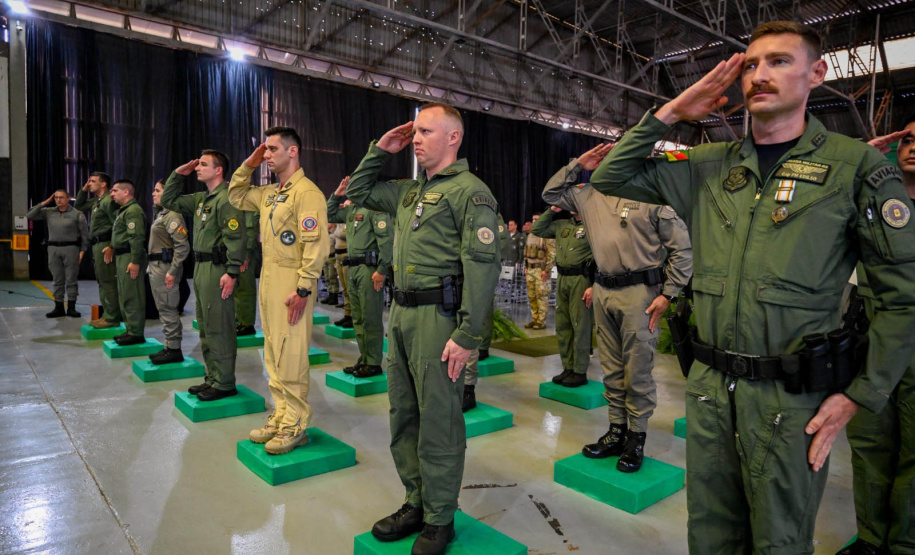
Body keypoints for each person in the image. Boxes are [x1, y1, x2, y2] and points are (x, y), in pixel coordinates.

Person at [590, 21, 915, 553]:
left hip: (792, 400)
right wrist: (672, 112)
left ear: (817, 72)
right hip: (710, 390)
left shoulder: (853, 168)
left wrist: (861, 394)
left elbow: (903, 298)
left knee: (779, 541)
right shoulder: (707, 166)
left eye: (779, 61)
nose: (760, 74)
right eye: (750, 65)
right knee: (710, 535)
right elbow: (608, 177)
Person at [347, 103, 500, 555]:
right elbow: (358, 190)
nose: (415, 139)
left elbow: (483, 268)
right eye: (414, 132)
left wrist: (468, 335)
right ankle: (415, 501)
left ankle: (439, 518)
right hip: (401, 315)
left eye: (426, 131)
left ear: (454, 137)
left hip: (439, 319)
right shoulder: (409, 192)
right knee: (404, 415)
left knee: (439, 421)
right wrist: (380, 150)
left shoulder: (471, 193)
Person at [543, 146, 692, 471]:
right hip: (602, 290)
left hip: (640, 294)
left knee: (636, 370)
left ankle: (636, 438)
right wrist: (578, 163)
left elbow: (682, 250)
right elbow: (550, 193)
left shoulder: (652, 197)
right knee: (610, 368)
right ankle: (616, 431)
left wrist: (668, 294)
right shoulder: (589, 195)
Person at [838, 120, 915, 555]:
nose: (913, 147)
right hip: (871, 332)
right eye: (908, 139)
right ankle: (870, 537)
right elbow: (824, 204)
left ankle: (905, 542)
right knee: (868, 439)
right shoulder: (869, 203)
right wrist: (861, 157)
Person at [229, 126, 329, 455]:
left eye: (272, 149)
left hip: (292, 279)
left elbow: (316, 246)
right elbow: (236, 196)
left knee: (291, 353)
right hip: (269, 275)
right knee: (273, 351)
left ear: (293, 151)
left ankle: (295, 423)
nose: (267, 155)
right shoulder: (270, 193)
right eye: (265, 149)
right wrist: (250, 163)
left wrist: (303, 288)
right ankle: (281, 414)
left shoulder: (307, 193)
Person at [162, 150, 246, 402]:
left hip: (218, 269)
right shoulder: (202, 199)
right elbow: (169, 199)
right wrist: (178, 174)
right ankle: (213, 377)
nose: (197, 168)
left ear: (218, 170)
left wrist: (232, 271)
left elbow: (235, 237)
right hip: (200, 268)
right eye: (197, 164)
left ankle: (225, 382)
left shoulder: (226, 199)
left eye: (203, 164)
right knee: (206, 325)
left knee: (219, 325)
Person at [327, 176, 393, 378]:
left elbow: (386, 242)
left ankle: (373, 362)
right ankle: (364, 358)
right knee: (358, 317)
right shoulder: (351, 211)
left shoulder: (376, 209)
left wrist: (382, 270)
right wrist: (337, 194)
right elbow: (329, 213)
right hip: (353, 267)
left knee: (370, 317)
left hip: (369, 269)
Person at [530, 206, 596, 388]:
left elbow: (603, 256)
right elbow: (537, 229)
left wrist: (594, 285)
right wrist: (552, 210)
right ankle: (568, 367)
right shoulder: (561, 224)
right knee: (563, 325)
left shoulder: (593, 225)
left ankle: (580, 371)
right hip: (562, 278)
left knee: (580, 325)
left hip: (581, 279)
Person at [461, 213, 508, 412]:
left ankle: (468, 389)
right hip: (455, 278)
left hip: (476, 279)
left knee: (469, 332)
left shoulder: (488, 216)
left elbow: (501, 245)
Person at [147, 180, 191, 364]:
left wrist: (172, 271)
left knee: (168, 307)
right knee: (163, 307)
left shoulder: (173, 215)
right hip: (156, 266)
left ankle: (174, 349)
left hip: (165, 267)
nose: (153, 193)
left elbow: (182, 247)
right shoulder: (162, 214)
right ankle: (169, 346)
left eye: (157, 190)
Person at [27, 189, 90, 318]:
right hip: (53, 248)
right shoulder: (49, 212)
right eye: (55, 198)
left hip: (71, 248)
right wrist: (44, 203)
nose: (58, 200)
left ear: (68, 198)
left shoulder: (77, 214)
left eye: (61, 197)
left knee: (71, 279)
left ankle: (71, 308)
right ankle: (58, 307)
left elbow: (84, 234)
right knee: (57, 279)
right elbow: (29, 215)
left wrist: (83, 250)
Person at [75, 172, 121, 328]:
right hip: (97, 245)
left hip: (105, 244)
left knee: (108, 282)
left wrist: (112, 246)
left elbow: (117, 224)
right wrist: (83, 190)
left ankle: (112, 317)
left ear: (103, 184)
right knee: (102, 282)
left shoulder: (109, 201)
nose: (89, 184)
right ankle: (107, 315)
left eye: (92, 181)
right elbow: (79, 205)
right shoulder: (97, 201)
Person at [108, 180, 148, 346]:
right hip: (122, 255)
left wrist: (135, 261)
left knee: (132, 295)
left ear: (126, 192)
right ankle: (130, 329)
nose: (111, 194)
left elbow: (136, 237)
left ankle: (136, 333)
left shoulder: (133, 211)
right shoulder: (123, 210)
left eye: (115, 190)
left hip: (129, 256)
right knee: (124, 293)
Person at [523, 213, 554, 330]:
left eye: (537, 219)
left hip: (541, 270)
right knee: (532, 296)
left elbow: (552, 254)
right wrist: (526, 266)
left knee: (541, 296)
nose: (534, 221)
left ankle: (541, 321)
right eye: (533, 219)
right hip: (530, 269)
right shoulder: (531, 235)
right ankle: (534, 319)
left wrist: (547, 270)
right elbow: (526, 251)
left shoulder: (547, 234)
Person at [235, 211, 260, 336]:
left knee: (245, 289)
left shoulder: (249, 206)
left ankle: (247, 324)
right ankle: (239, 319)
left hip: (246, 252)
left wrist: (246, 255)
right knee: (236, 288)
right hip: (235, 251)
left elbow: (251, 230)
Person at [333, 223, 354, 326]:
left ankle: (353, 316)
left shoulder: (349, 223)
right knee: (344, 289)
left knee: (349, 288)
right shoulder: (339, 224)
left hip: (346, 255)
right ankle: (347, 314)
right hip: (338, 256)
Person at [321, 223, 340, 305]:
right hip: (325, 257)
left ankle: (334, 296)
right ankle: (330, 294)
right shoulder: (326, 233)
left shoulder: (335, 233)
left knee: (332, 277)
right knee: (327, 277)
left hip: (332, 257)